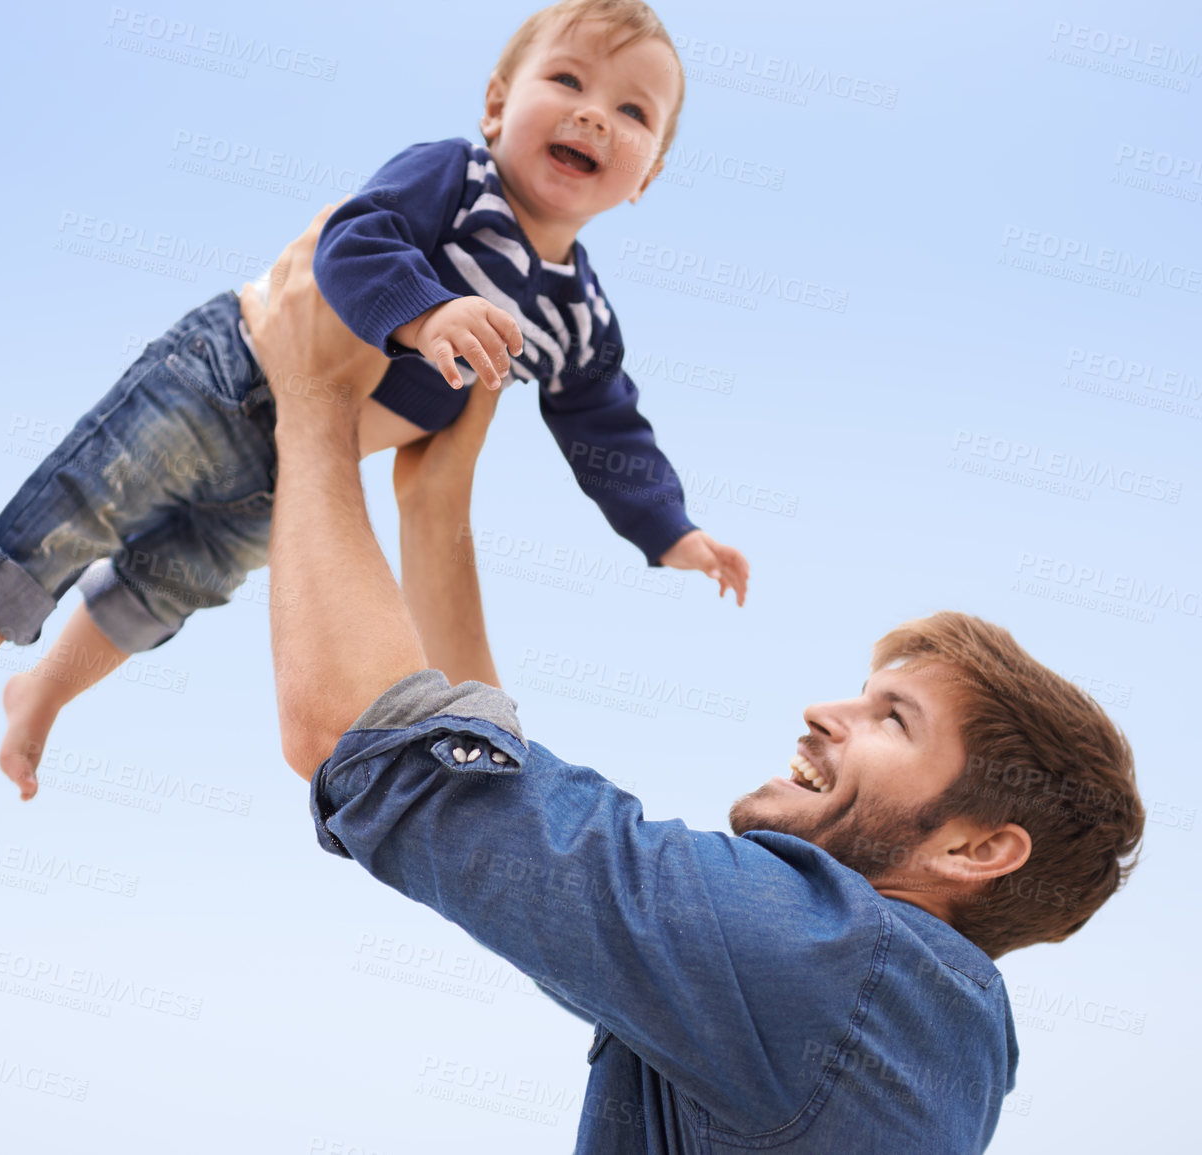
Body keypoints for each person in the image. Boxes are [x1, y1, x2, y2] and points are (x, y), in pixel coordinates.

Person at [251, 209, 1145, 1153]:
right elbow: (498, 802)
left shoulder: (828, 968)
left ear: (976, 849)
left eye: (893, 719)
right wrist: (434, 510)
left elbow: (369, 743)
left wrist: (308, 399)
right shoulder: (892, 1022)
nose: (821, 711)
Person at [0, 0, 749, 800]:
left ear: (648, 178)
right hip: (230, 375)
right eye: (566, 83)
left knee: (168, 587)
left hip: (303, 477)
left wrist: (667, 527)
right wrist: (425, 313)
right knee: (97, 490)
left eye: (632, 111)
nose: (595, 114)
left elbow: (607, 424)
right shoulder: (455, 178)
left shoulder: (577, 319)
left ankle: (45, 694)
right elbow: (355, 236)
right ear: (497, 106)